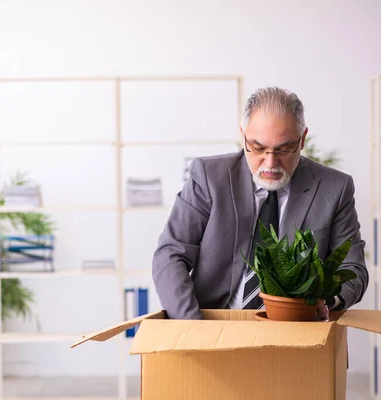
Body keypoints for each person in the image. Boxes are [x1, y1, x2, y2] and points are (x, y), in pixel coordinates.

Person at [151, 86, 368, 320]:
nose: (270, 162)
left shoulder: (334, 188)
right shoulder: (208, 178)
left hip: (295, 330)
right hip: (212, 324)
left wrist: (326, 300)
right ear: (243, 135)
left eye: (284, 149)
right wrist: (193, 328)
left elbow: (353, 269)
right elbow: (170, 255)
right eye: (258, 148)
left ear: (302, 139)